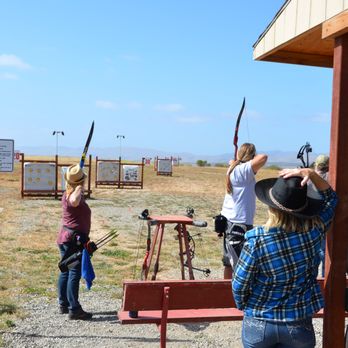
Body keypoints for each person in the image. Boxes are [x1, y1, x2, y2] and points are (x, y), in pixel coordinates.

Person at [232, 167, 337, 348]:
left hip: (259, 319)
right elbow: (332, 199)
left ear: (272, 207)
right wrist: (311, 174)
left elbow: (240, 284)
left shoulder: (256, 240)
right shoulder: (315, 231)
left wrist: (246, 306)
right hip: (298, 321)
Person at [220, 143, 268, 279]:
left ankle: (226, 292)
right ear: (251, 157)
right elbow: (263, 157)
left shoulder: (233, 169)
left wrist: (236, 160)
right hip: (239, 224)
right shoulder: (243, 171)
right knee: (241, 264)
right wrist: (246, 159)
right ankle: (237, 296)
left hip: (229, 221)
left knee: (228, 262)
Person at [57, 164, 93, 320]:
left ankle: (63, 304)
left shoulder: (68, 192)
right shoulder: (72, 195)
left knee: (66, 269)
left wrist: (77, 185)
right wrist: (79, 187)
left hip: (67, 238)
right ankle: (74, 309)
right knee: (73, 272)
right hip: (73, 241)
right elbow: (74, 201)